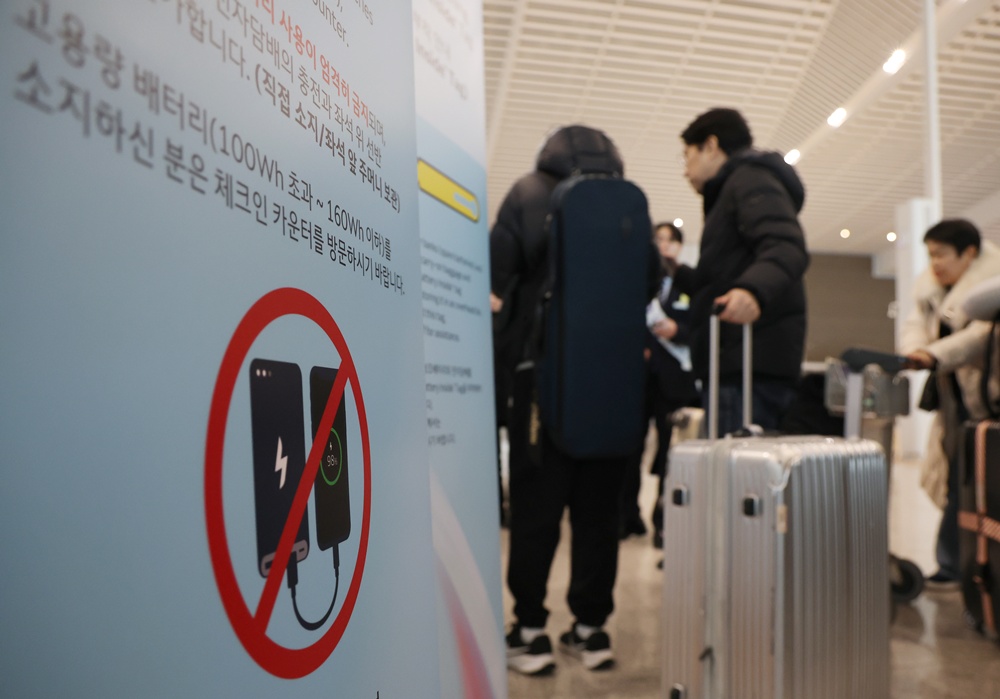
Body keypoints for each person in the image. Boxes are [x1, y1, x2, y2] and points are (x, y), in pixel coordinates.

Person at [490, 124, 656, 675]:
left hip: (541, 387)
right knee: (598, 518)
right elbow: (651, 283)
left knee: (536, 513)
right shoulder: (626, 207)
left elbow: (496, 276)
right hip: (613, 389)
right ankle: (591, 631)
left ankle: (530, 631)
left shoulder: (526, 193)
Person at [666, 107, 809, 434]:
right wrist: (675, 271)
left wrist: (752, 291)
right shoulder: (734, 189)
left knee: (737, 478)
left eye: (687, 156)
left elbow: (785, 246)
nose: (685, 171)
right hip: (736, 363)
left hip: (747, 367)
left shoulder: (749, 180)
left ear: (711, 146)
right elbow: (718, 283)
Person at [900, 219, 1000, 587]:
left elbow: (979, 336)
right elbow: (914, 325)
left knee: (981, 486)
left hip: (987, 404)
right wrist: (915, 351)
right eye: (931, 255)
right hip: (955, 404)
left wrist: (931, 354)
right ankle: (956, 566)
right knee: (959, 483)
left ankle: (971, 567)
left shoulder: (991, 291)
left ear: (969, 253)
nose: (935, 263)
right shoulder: (931, 290)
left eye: (942, 254)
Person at [619, 222, 699, 547]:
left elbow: (702, 329)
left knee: (670, 453)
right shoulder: (635, 280)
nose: (663, 245)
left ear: (679, 246)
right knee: (629, 450)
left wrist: (677, 332)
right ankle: (627, 516)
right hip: (637, 378)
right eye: (658, 240)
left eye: (669, 240)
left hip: (675, 382)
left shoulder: (690, 282)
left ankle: (664, 523)